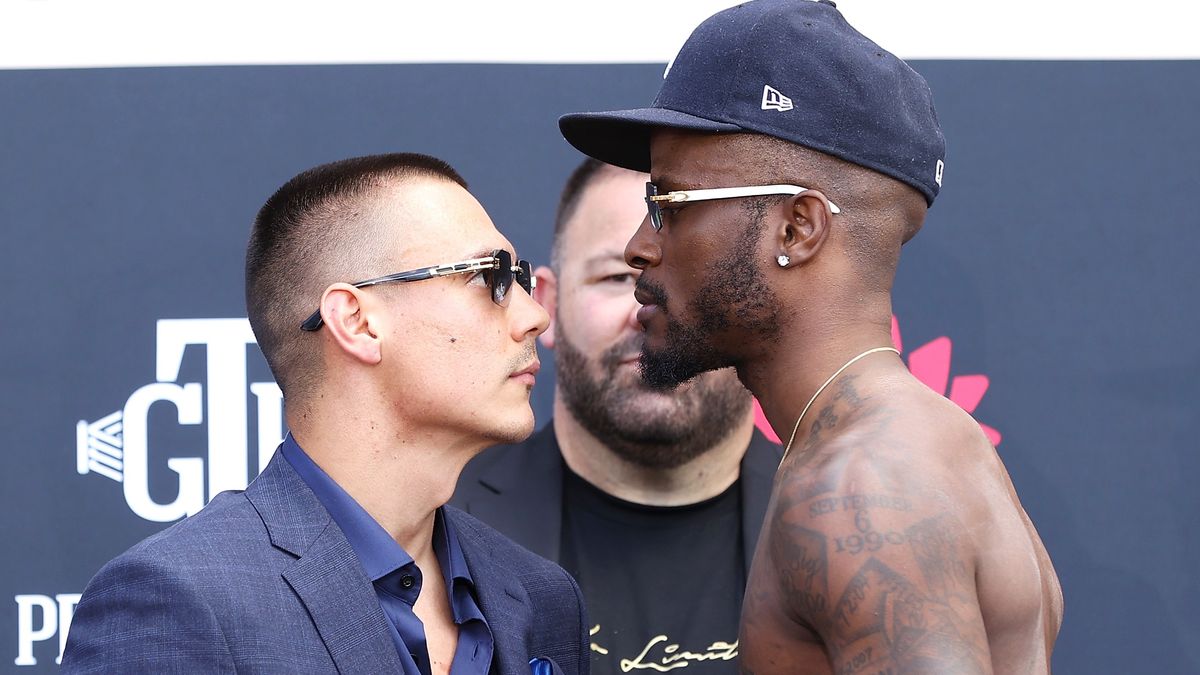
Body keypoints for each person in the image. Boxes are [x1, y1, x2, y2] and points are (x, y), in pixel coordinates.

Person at [557, 1, 1062, 673]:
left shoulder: (862, 487)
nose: (638, 248)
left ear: (797, 228)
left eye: (668, 204)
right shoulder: (922, 444)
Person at [62, 153, 589, 675]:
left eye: (517, 278)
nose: (534, 316)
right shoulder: (179, 603)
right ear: (356, 322)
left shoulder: (542, 597)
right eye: (489, 277)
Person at [454, 157, 781, 674]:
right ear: (548, 306)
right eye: (614, 276)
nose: (645, 307)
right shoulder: (436, 523)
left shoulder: (852, 523)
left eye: (694, 278)